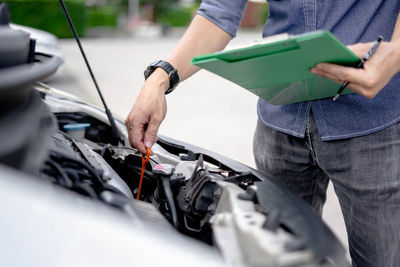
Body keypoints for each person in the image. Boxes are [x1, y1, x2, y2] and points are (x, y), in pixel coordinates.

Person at [125, 1, 400, 266]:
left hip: (372, 122)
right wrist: (160, 79)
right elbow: (220, 11)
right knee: (274, 255)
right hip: (280, 124)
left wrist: (396, 50)